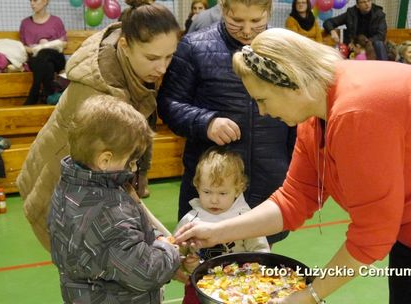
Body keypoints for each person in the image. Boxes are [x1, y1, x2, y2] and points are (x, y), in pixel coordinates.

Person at [175, 28, 411, 304]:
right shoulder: (315, 114)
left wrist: (309, 295)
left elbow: (372, 235)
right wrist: (216, 231)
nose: (262, 111)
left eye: (264, 100)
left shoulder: (357, 112)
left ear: (292, 85)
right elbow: (294, 199)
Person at [17, 0, 181, 251]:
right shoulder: (99, 97)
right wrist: (166, 246)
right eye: (152, 58)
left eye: (169, 56)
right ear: (125, 45)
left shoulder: (126, 52)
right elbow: (112, 183)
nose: (162, 67)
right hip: (62, 187)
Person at [157, 0, 294, 245]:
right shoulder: (193, 46)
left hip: (269, 179)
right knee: (205, 265)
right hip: (212, 186)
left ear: (269, 12)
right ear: (223, 9)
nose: (247, 30)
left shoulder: (286, 49)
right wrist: (206, 122)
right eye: (237, 21)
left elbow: (299, 119)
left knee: (258, 265)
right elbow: (168, 104)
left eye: (256, 21)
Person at [48, 95, 181, 303]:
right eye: (131, 161)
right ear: (105, 160)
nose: (134, 168)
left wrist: (150, 238)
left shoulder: (69, 186)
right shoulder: (108, 213)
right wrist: (168, 249)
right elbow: (144, 272)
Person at [175, 147, 270, 303]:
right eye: (207, 192)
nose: (214, 200)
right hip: (198, 287)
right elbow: (176, 254)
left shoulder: (245, 218)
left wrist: (254, 274)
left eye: (222, 193)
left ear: (238, 190)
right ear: (197, 186)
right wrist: (186, 264)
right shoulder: (190, 220)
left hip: (238, 288)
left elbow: (261, 251)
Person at [19, 0, 67, 105]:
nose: (32, 3)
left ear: (45, 1)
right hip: (36, 59)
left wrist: (44, 46)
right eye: (30, 1)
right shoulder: (25, 23)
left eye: (35, 0)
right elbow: (23, 47)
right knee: (45, 63)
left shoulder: (56, 21)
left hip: (56, 58)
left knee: (44, 54)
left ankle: (34, 92)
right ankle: (48, 94)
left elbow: (63, 44)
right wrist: (34, 49)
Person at [322, 0, 387, 60]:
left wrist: (364, 44)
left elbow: (381, 35)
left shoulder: (378, 14)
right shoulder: (351, 13)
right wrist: (332, 31)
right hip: (353, 47)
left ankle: (384, 68)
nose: (367, 4)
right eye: (363, 2)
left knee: (379, 44)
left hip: (370, 46)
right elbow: (328, 22)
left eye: (368, 1)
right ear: (357, 5)